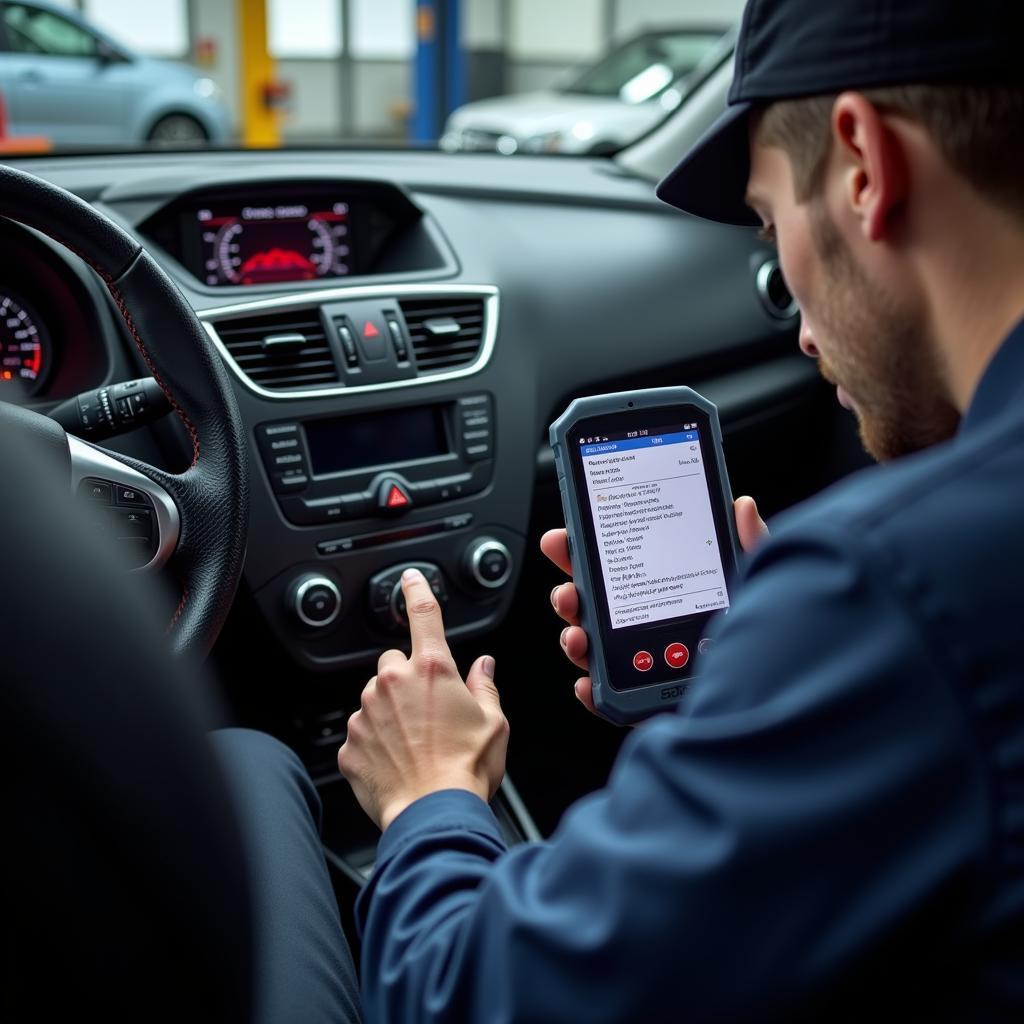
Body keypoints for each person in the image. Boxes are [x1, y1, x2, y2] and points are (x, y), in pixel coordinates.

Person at [335, 0, 1024, 1019]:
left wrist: (430, 793)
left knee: (252, 773)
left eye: (766, 219)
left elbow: (465, 993)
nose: (793, 317)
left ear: (863, 165)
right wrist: (774, 686)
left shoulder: (889, 593)